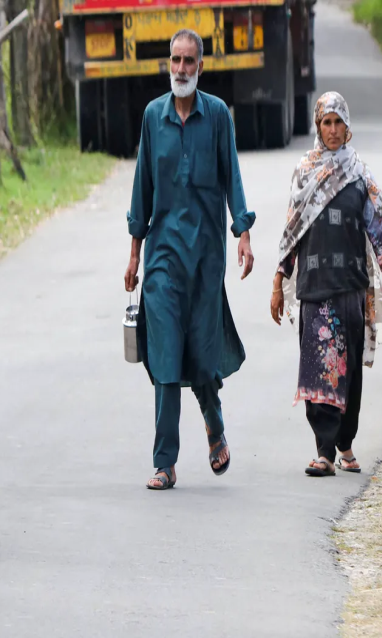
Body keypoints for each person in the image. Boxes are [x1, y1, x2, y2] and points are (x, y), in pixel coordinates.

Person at [124, 28, 256, 491]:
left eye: (189, 61)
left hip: (205, 261)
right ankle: (165, 461)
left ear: (201, 67)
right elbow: (143, 185)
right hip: (162, 261)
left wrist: (243, 232)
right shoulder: (151, 117)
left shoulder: (217, 116)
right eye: (175, 60)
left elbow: (232, 175)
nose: (181, 68)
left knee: (201, 354)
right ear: (168, 64)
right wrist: (134, 253)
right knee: (164, 357)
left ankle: (214, 423)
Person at [271, 91, 382, 477]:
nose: (332, 130)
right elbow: (291, 231)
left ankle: (345, 442)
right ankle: (324, 451)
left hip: (351, 286)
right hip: (314, 286)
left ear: (348, 127)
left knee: (349, 374)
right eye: (325, 123)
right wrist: (279, 279)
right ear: (317, 127)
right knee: (318, 369)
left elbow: (377, 227)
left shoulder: (359, 174)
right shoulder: (305, 172)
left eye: (338, 123)